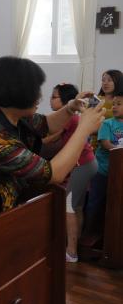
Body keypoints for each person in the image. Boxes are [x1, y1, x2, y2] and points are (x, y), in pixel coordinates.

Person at [0, 56, 104, 228]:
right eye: (34, 91)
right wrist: (83, 129)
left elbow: (47, 124)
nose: (40, 97)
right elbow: (54, 173)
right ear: (15, 95)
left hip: (2, 203)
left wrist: (70, 108)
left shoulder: (10, 113)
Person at [47, 83, 98, 262]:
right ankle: (74, 243)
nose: (50, 100)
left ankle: (71, 252)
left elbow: (49, 139)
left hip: (82, 165)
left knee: (68, 205)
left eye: (54, 97)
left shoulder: (68, 119)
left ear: (66, 101)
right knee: (76, 206)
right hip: (89, 164)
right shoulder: (73, 118)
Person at [86, 91, 123, 233]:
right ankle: (88, 232)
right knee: (95, 202)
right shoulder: (107, 123)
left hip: (118, 173)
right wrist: (119, 151)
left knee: (114, 204)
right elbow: (106, 143)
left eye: (119, 104)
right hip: (102, 171)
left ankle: (109, 233)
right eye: (113, 104)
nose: (114, 107)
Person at [90, 70, 123, 149]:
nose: (105, 83)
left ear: (119, 82)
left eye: (109, 80)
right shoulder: (95, 99)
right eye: (103, 80)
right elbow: (89, 123)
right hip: (96, 146)